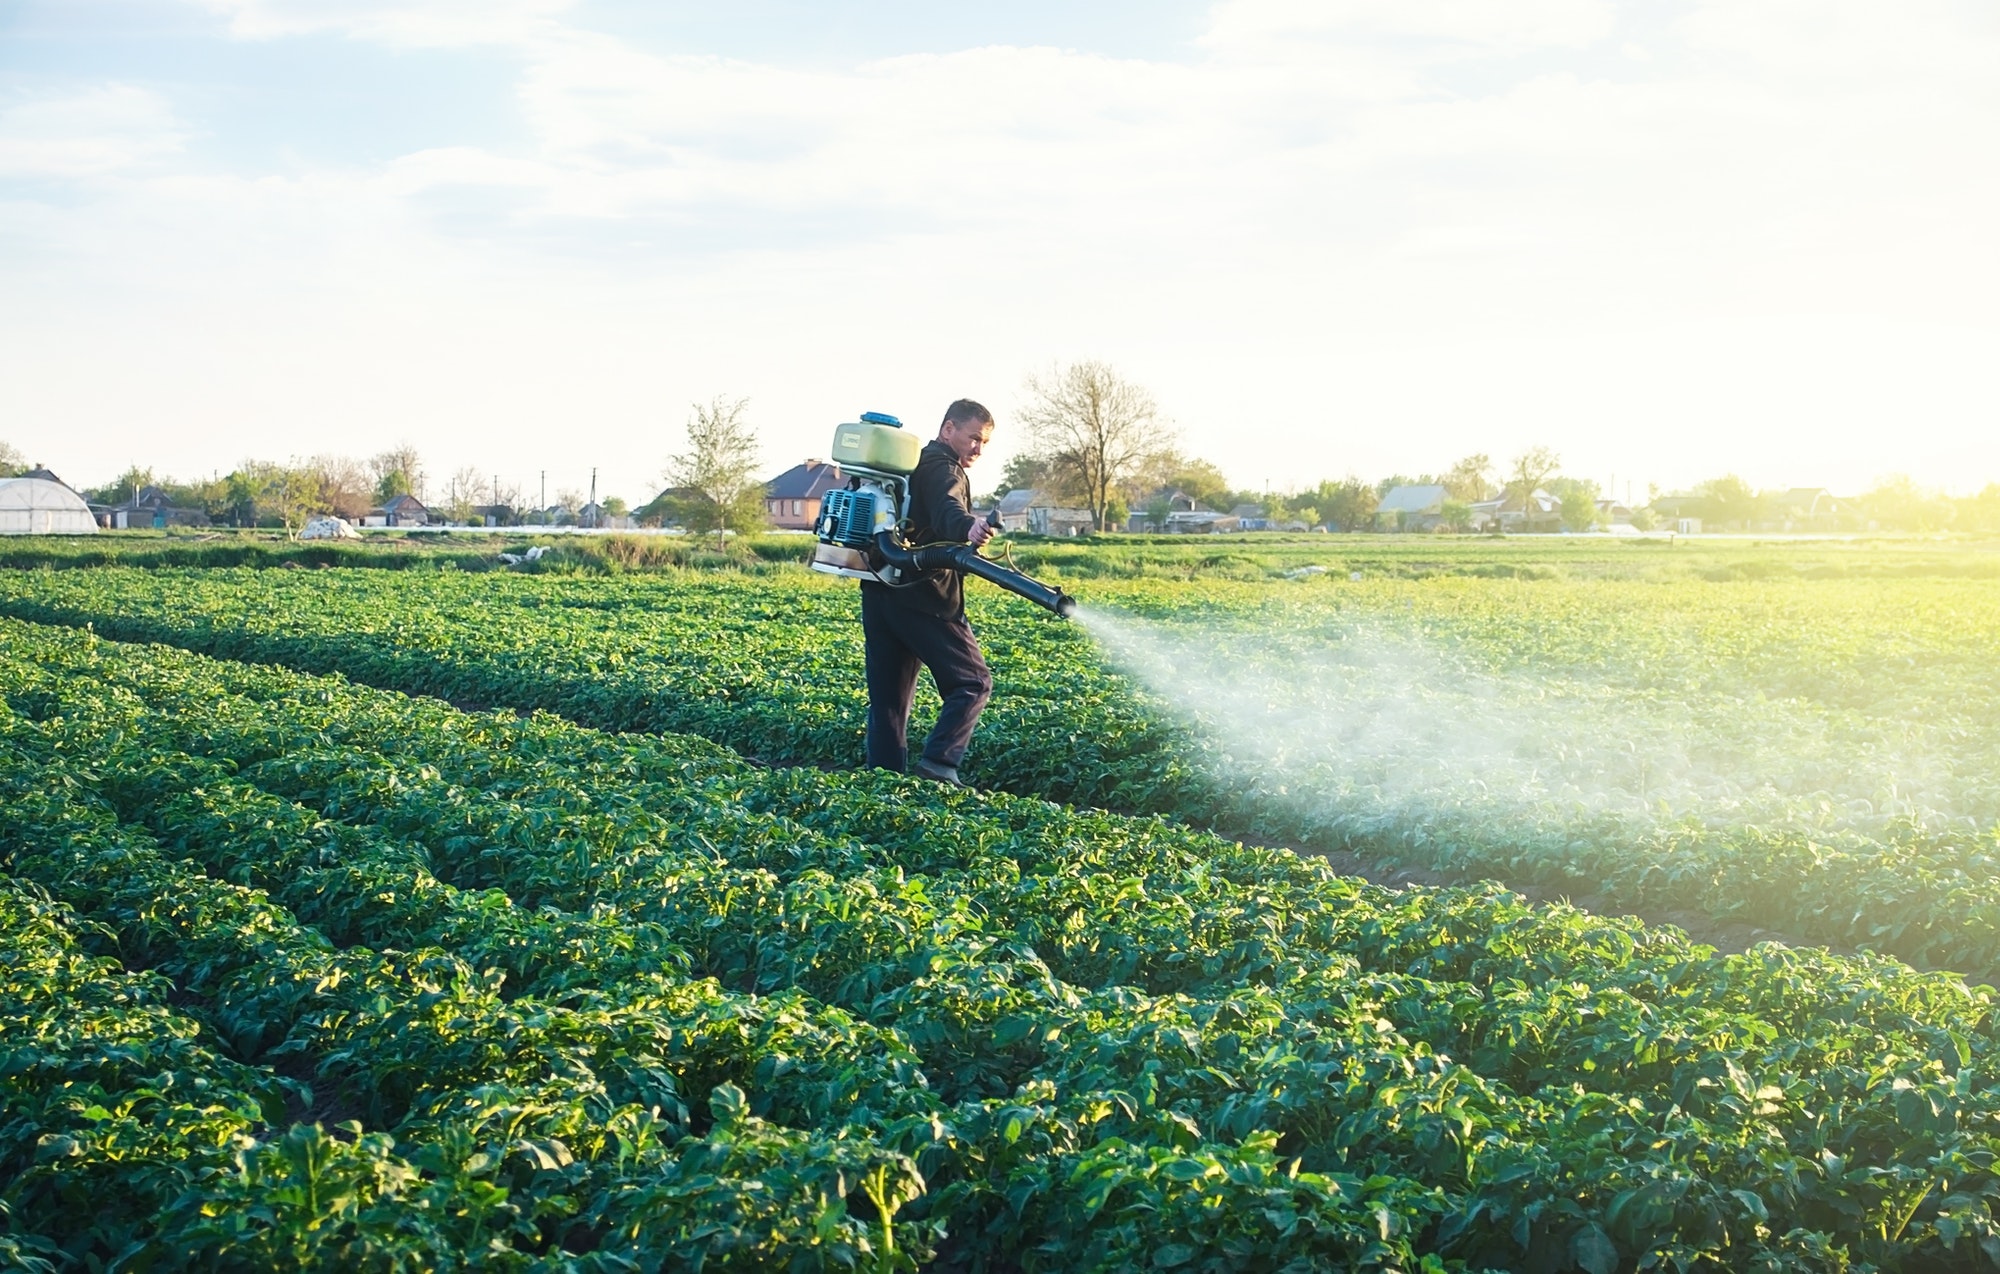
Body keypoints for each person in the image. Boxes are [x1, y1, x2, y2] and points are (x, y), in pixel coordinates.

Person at [860, 399, 998, 785]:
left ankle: (883, 787)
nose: (978, 449)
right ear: (948, 429)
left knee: (889, 700)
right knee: (973, 682)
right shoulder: (943, 468)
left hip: (882, 590)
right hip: (926, 597)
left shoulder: (911, 464)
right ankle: (939, 765)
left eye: (984, 442)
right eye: (973, 438)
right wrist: (969, 528)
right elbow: (948, 508)